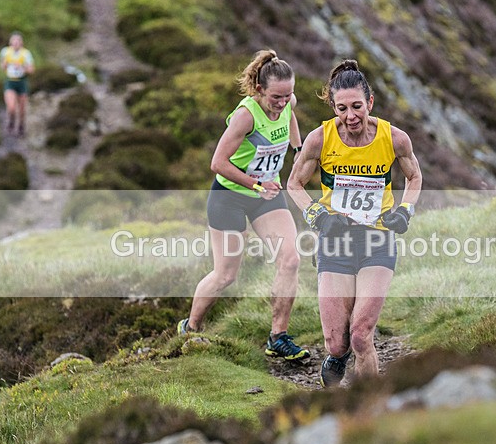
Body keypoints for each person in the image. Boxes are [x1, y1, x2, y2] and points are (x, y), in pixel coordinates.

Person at [287, 59, 422, 387]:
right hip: (335, 242)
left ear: (370, 103)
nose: (351, 116)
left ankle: (369, 410)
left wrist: (405, 210)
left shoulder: (394, 138)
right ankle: (337, 356)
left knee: (361, 335)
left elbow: (415, 176)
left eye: (358, 106)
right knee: (338, 342)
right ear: (333, 106)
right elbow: (294, 185)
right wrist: (318, 216)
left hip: (378, 240)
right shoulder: (320, 139)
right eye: (342, 108)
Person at [177, 49, 309, 361]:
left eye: (287, 95)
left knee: (290, 260)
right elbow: (217, 163)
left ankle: (278, 337)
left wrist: (299, 150)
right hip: (230, 197)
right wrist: (256, 184)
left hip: (267, 194)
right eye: (276, 97)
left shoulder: (288, 102)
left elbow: (290, 119)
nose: (281, 102)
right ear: (261, 90)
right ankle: (191, 327)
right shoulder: (246, 116)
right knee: (225, 276)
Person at [0, 32, 35, 136]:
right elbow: (2, 66)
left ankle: (21, 126)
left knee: (22, 109)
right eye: (13, 41)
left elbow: (32, 70)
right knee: (11, 107)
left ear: (21, 43)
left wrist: (23, 67)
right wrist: (5, 64)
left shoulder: (26, 54)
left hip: (22, 82)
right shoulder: (5, 52)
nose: (15, 43)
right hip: (10, 81)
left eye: (18, 41)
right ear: (10, 42)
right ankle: (11, 121)